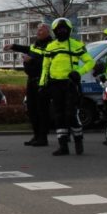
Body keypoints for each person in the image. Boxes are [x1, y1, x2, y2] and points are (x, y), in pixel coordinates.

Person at [39, 17, 94, 156]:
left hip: (70, 84)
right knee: (58, 115)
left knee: (70, 115)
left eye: (64, 29)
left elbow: (90, 62)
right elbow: (45, 66)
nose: (61, 31)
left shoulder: (76, 45)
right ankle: (63, 146)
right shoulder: (50, 46)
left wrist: (78, 72)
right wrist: (42, 84)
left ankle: (78, 139)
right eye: (59, 29)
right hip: (55, 84)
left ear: (69, 31)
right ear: (55, 31)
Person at [5, 22, 53, 146]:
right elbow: (27, 49)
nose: (38, 32)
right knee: (32, 110)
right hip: (31, 80)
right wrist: (13, 46)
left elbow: (48, 62)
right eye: (37, 30)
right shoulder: (36, 44)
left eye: (41, 30)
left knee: (42, 110)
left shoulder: (51, 45)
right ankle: (36, 136)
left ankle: (43, 138)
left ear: (48, 31)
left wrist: (32, 60)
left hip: (42, 81)